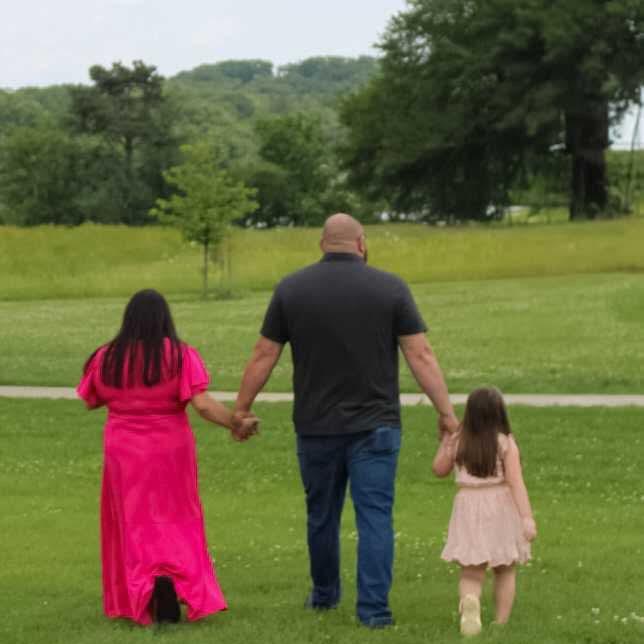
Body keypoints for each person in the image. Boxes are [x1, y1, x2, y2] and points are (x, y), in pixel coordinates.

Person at [234, 213, 459, 628]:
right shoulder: (390, 288)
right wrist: (445, 413)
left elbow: (264, 353)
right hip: (376, 426)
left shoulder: (292, 289)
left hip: (315, 426)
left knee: (321, 515)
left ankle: (324, 595)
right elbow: (420, 354)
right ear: (361, 243)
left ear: (322, 244)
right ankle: (374, 612)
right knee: (375, 517)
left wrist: (241, 409)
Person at [77, 289, 257, 625]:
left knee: (132, 521)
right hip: (169, 447)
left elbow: (90, 399)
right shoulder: (180, 355)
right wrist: (235, 422)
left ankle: (142, 588)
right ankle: (171, 578)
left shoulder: (106, 356)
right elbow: (202, 405)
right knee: (178, 517)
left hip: (123, 450)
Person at [432, 386, 537, 636]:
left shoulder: (459, 440)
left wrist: (446, 440)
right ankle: (500, 622)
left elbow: (439, 469)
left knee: (471, 570)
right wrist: (526, 517)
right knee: (505, 568)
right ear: (500, 412)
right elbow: (516, 482)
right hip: (500, 506)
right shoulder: (505, 443)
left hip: (468, 506)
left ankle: (471, 602)